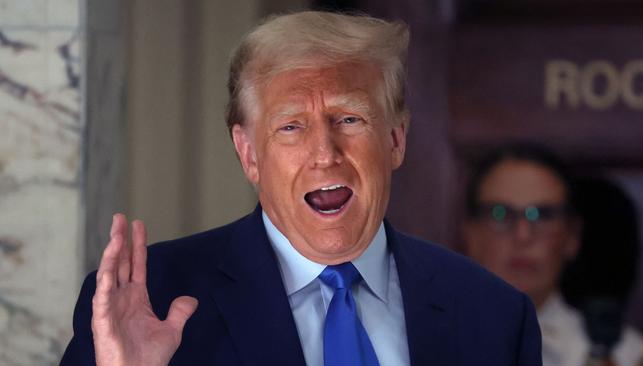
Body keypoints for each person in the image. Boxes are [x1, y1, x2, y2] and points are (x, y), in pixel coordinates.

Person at [61, 11, 542, 366]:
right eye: (291, 127)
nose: (325, 153)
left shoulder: (493, 314)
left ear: (395, 139)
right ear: (249, 153)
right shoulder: (154, 299)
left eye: (349, 119)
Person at [463, 144, 643, 366]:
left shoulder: (627, 353)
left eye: (543, 215)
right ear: (471, 234)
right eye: (500, 213)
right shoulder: (428, 335)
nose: (523, 236)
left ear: (572, 237)